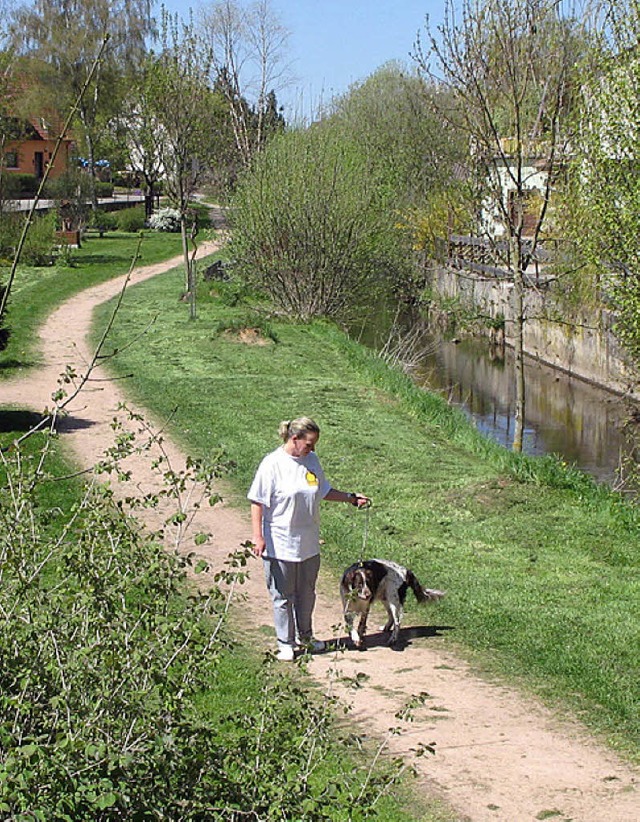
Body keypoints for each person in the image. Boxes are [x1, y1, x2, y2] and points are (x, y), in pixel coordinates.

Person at [248, 417, 370, 661]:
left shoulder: (311, 461)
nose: (312, 449)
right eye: (309, 444)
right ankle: (285, 642)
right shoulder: (272, 464)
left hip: (308, 542)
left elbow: (323, 491)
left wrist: (350, 497)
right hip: (279, 542)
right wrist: (258, 537)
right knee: (283, 596)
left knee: (307, 593)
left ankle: (306, 636)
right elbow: (257, 501)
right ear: (294, 439)